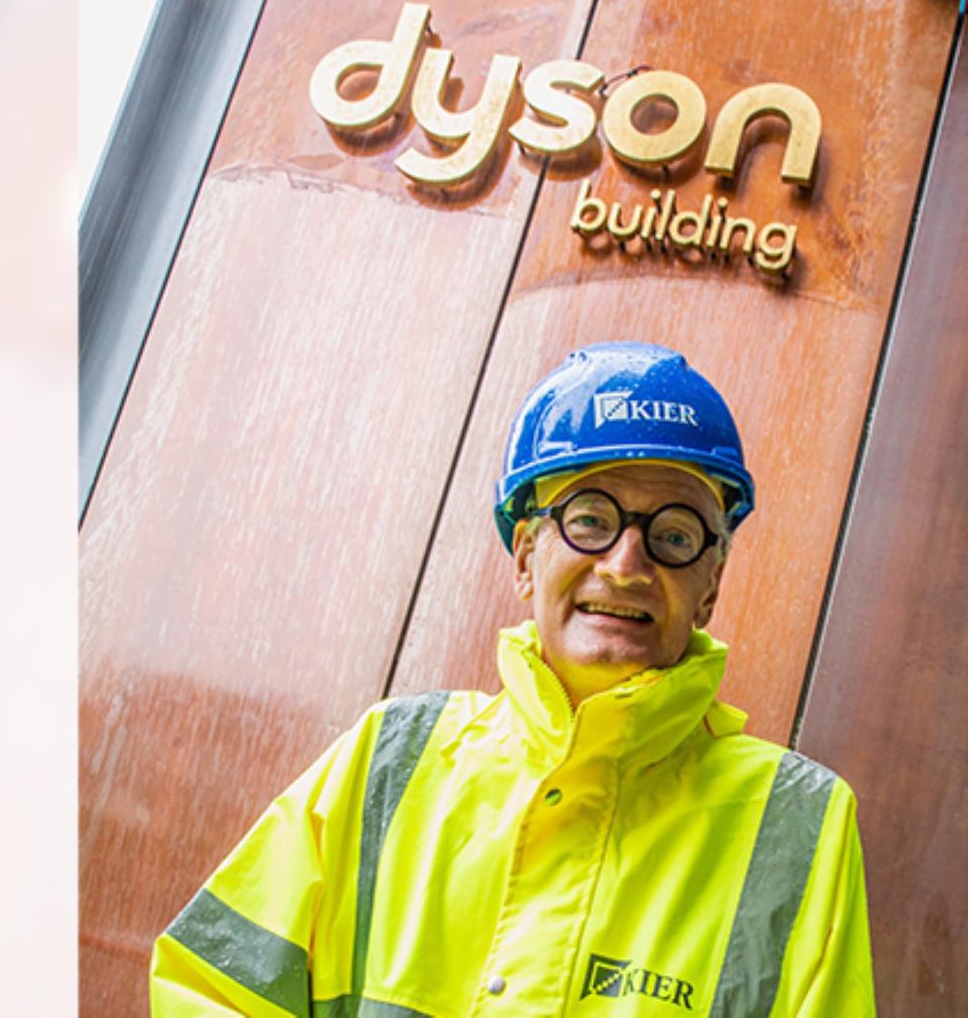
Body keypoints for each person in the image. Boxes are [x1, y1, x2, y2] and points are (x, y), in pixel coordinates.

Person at [150, 341, 874, 1016]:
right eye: (590, 520)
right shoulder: (391, 760)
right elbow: (209, 992)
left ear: (710, 585)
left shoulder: (799, 825)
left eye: (676, 534)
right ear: (526, 555)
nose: (626, 564)